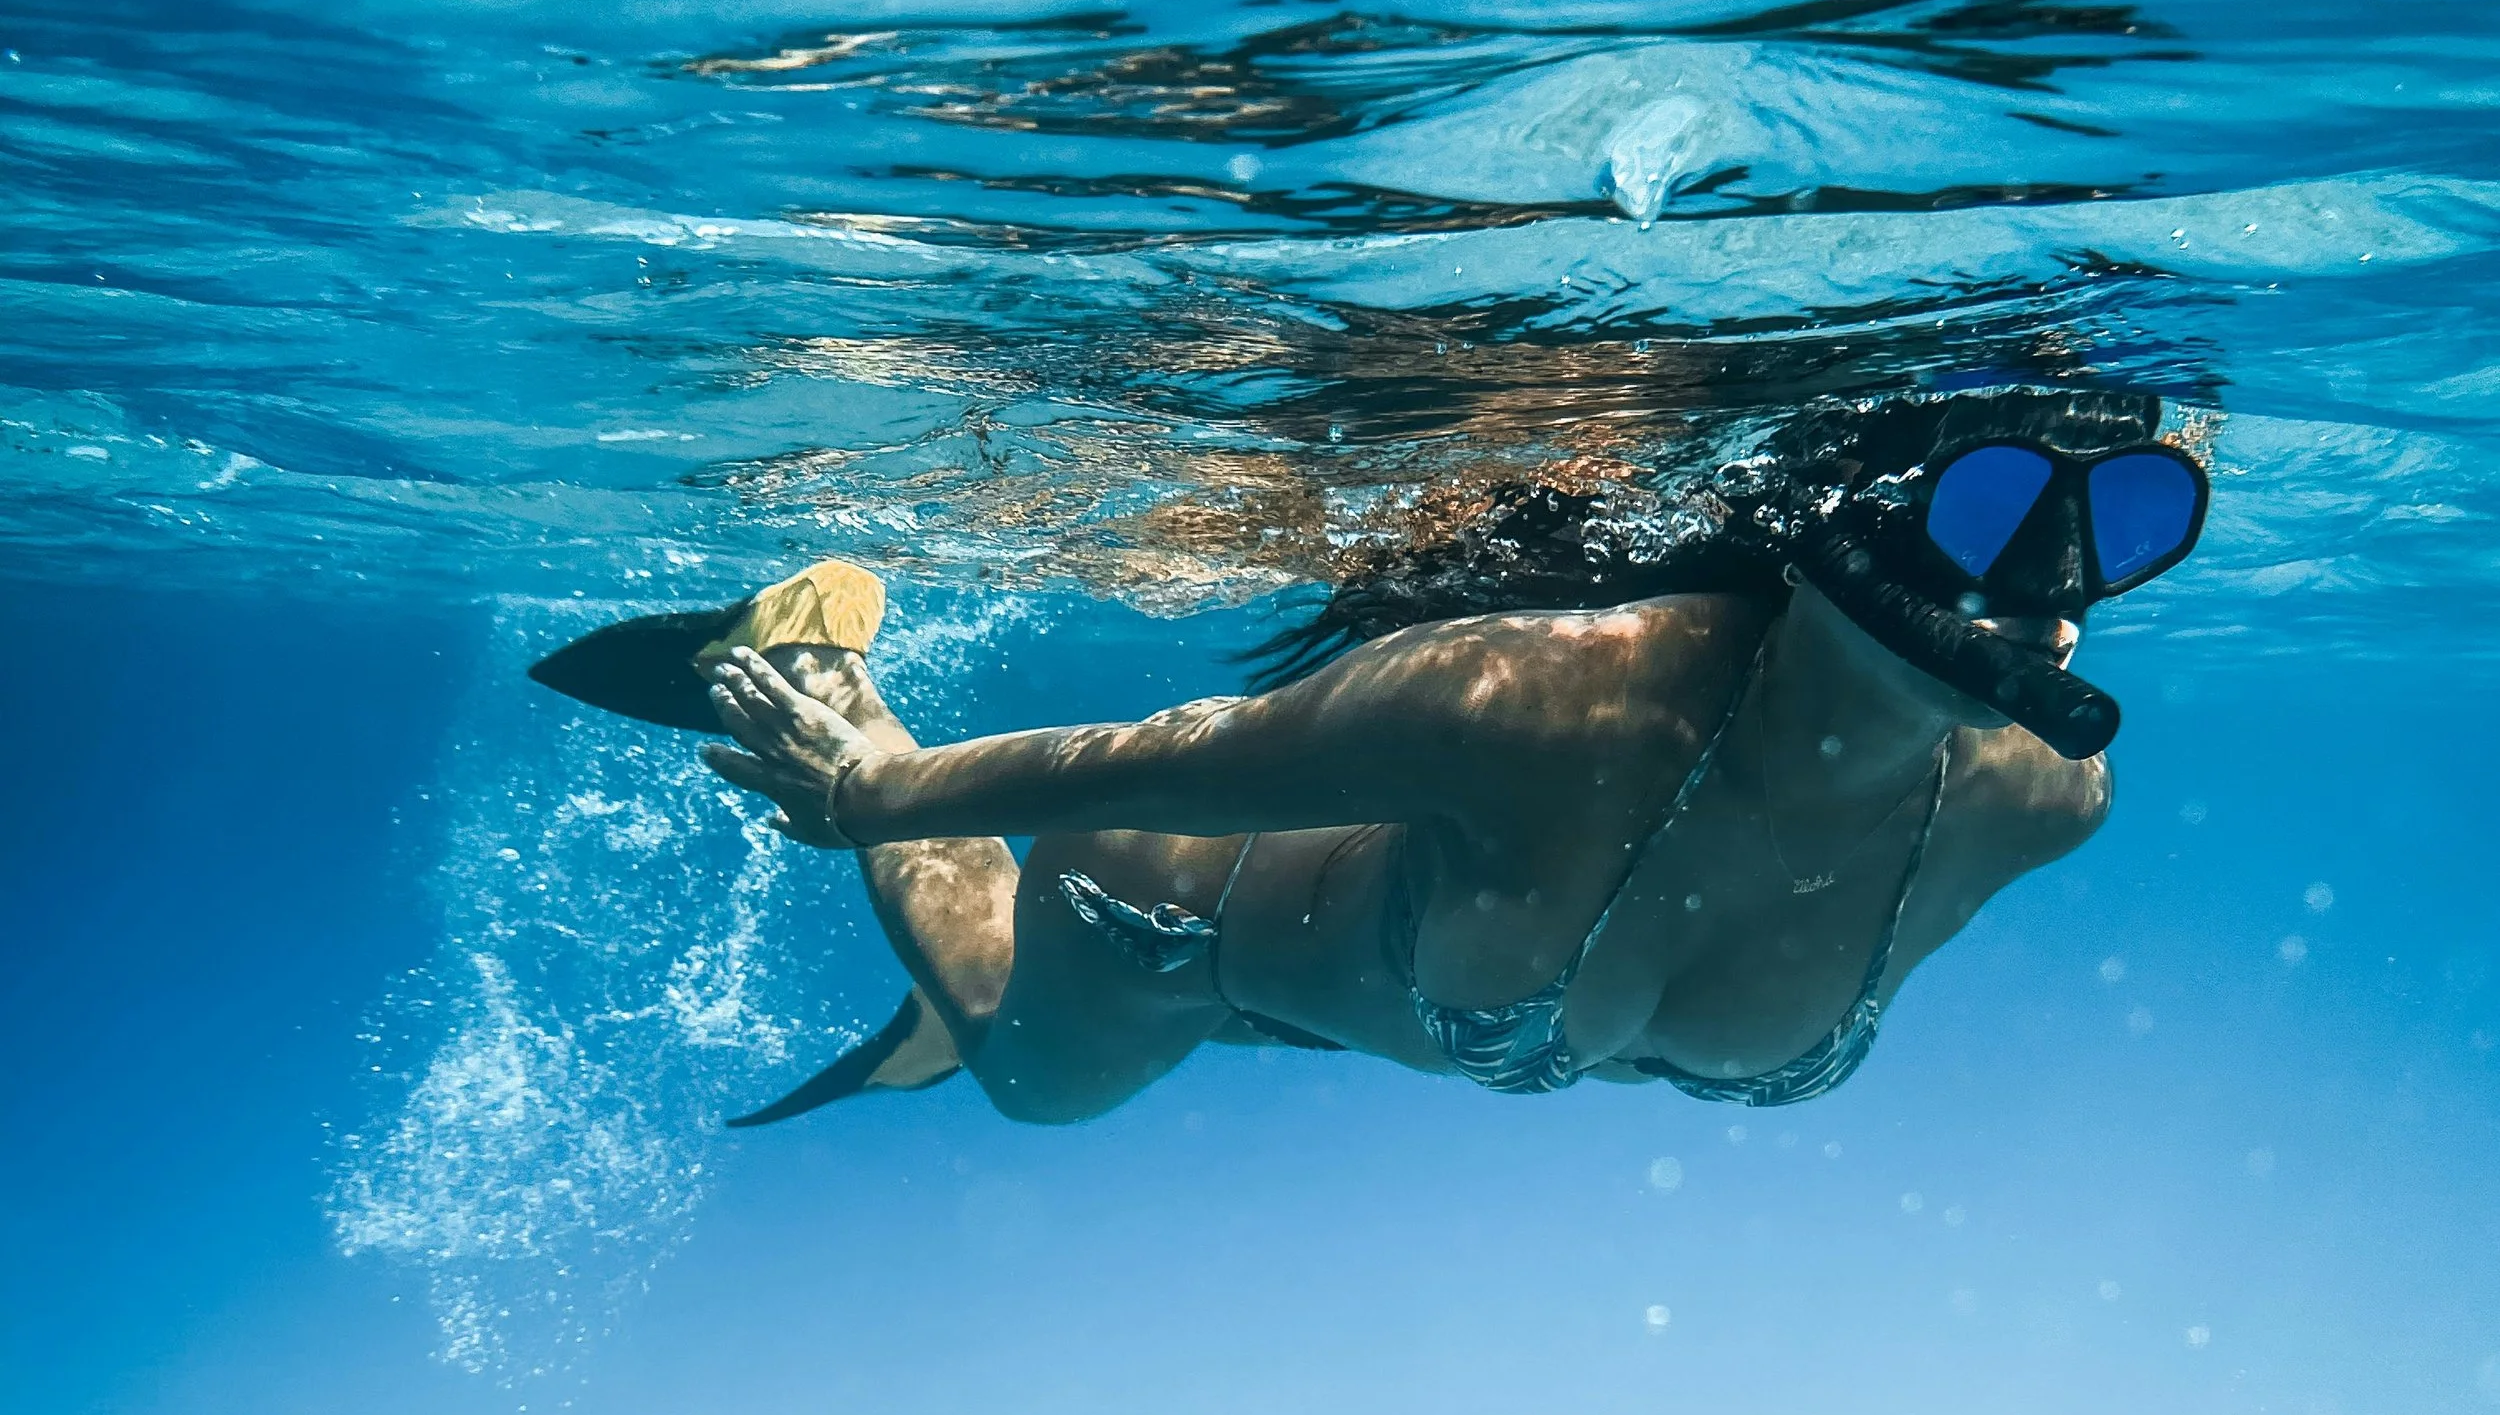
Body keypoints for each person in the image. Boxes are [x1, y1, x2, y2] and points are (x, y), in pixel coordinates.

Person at [543, 383, 2211, 1125]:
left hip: (1369, 980)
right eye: (1992, 508)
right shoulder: (1550, 703)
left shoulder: (2039, 800)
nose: (2053, 595)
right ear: (1844, 525)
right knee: (1033, 1084)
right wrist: (872, 791)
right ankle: (820, 655)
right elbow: (1168, 767)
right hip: (1176, 910)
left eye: (2133, 524)